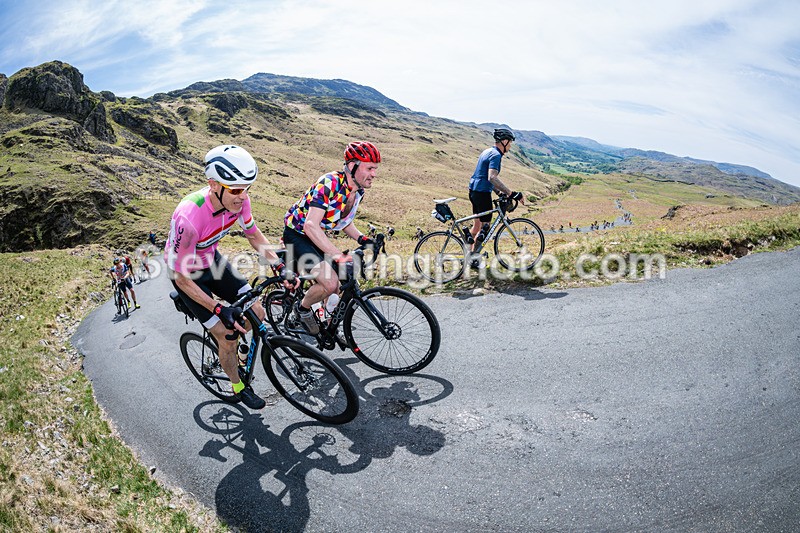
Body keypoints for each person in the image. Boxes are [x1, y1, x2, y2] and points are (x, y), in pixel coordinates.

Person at [166, 145, 295, 410]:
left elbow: (253, 234)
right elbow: (180, 277)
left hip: (212, 261)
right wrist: (218, 307)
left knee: (257, 311)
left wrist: (278, 265)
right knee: (227, 334)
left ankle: (234, 349)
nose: (242, 196)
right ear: (213, 184)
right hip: (187, 275)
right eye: (236, 189)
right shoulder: (189, 217)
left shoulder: (239, 200)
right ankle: (237, 385)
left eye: (247, 188)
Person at [283, 141, 380, 335]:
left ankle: (326, 320)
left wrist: (363, 240)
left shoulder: (357, 191)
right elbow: (310, 225)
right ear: (353, 166)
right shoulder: (329, 183)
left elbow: (344, 222)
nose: (374, 174)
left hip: (316, 235)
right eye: (369, 168)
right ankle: (300, 310)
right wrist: (336, 254)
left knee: (343, 279)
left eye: (375, 169)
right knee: (330, 282)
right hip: (298, 234)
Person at [467, 128, 525, 262]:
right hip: (482, 194)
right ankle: (474, 259)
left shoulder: (486, 151)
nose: (510, 146)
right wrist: (512, 194)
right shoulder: (496, 155)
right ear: (504, 141)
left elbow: (483, 176)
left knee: (476, 226)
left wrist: (499, 192)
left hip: (473, 192)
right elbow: (492, 177)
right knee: (485, 228)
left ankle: (468, 254)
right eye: (510, 143)